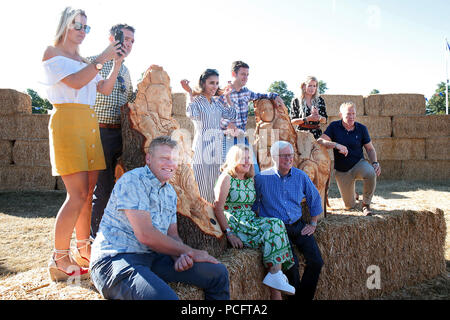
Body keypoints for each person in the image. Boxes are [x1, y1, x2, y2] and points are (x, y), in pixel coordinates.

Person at [90, 136, 230, 300]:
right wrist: (190, 251)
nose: (171, 164)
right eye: (164, 158)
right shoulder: (133, 181)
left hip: (153, 257)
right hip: (116, 259)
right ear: (149, 159)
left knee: (218, 273)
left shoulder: (169, 192)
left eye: (174, 159)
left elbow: (172, 235)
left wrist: (178, 256)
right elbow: (145, 234)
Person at [41, 7, 125, 281]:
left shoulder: (81, 59)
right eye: (76, 24)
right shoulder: (52, 53)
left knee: (88, 192)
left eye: (85, 27)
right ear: (65, 24)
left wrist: (118, 64)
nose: (81, 30)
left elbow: (104, 89)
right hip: (67, 120)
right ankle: (59, 257)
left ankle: (83, 249)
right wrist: (103, 57)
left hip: (89, 121)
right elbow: (77, 82)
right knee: (76, 194)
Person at [214, 144, 295, 300]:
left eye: (249, 158)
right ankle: (277, 276)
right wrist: (229, 233)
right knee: (273, 229)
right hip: (236, 222)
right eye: (243, 158)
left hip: (250, 219)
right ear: (234, 159)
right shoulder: (226, 178)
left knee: (276, 224)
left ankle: (275, 275)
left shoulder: (250, 179)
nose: (247, 162)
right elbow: (218, 208)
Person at [253, 140, 324, 300]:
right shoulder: (261, 179)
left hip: (298, 226)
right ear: (274, 157)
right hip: (277, 230)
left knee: (316, 262)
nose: (289, 159)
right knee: (292, 267)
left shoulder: (300, 176)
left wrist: (313, 223)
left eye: (290, 155)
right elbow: (253, 205)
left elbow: (314, 198)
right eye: (284, 156)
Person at [87, 23, 136, 241]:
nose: (129, 44)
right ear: (111, 39)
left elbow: (129, 100)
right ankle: (95, 239)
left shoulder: (125, 71)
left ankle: (118, 233)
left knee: (121, 187)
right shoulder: (92, 63)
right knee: (103, 188)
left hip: (121, 135)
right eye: (125, 38)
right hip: (99, 132)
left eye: (132, 41)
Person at [180, 69, 236, 203]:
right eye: (211, 83)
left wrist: (228, 97)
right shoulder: (198, 101)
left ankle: (214, 216)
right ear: (203, 83)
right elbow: (191, 114)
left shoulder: (217, 103)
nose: (215, 86)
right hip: (202, 144)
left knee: (216, 179)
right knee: (200, 179)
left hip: (217, 144)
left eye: (217, 83)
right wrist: (190, 93)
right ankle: (202, 215)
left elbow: (232, 114)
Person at [219, 61, 285, 173]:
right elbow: (214, 115)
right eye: (243, 74)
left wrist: (275, 95)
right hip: (227, 138)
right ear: (234, 74)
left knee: (254, 171)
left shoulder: (246, 93)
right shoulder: (223, 93)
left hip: (241, 137)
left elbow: (261, 95)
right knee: (227, 171)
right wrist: (226, 124)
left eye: (247, 75)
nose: (246, 77)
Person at [317, 102, 381, 215]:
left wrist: (375, 163)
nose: (351, 117)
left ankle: (366, 205)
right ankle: (354, 195)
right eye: (348, 114)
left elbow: (370, 149)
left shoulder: (362, 128)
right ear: (341, 115)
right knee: (349, 206)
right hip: (342, 171)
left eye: (353, 114)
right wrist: (336, 145)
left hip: (358, 164)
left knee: (371, 172)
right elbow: (320, 141)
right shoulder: (334, 126)